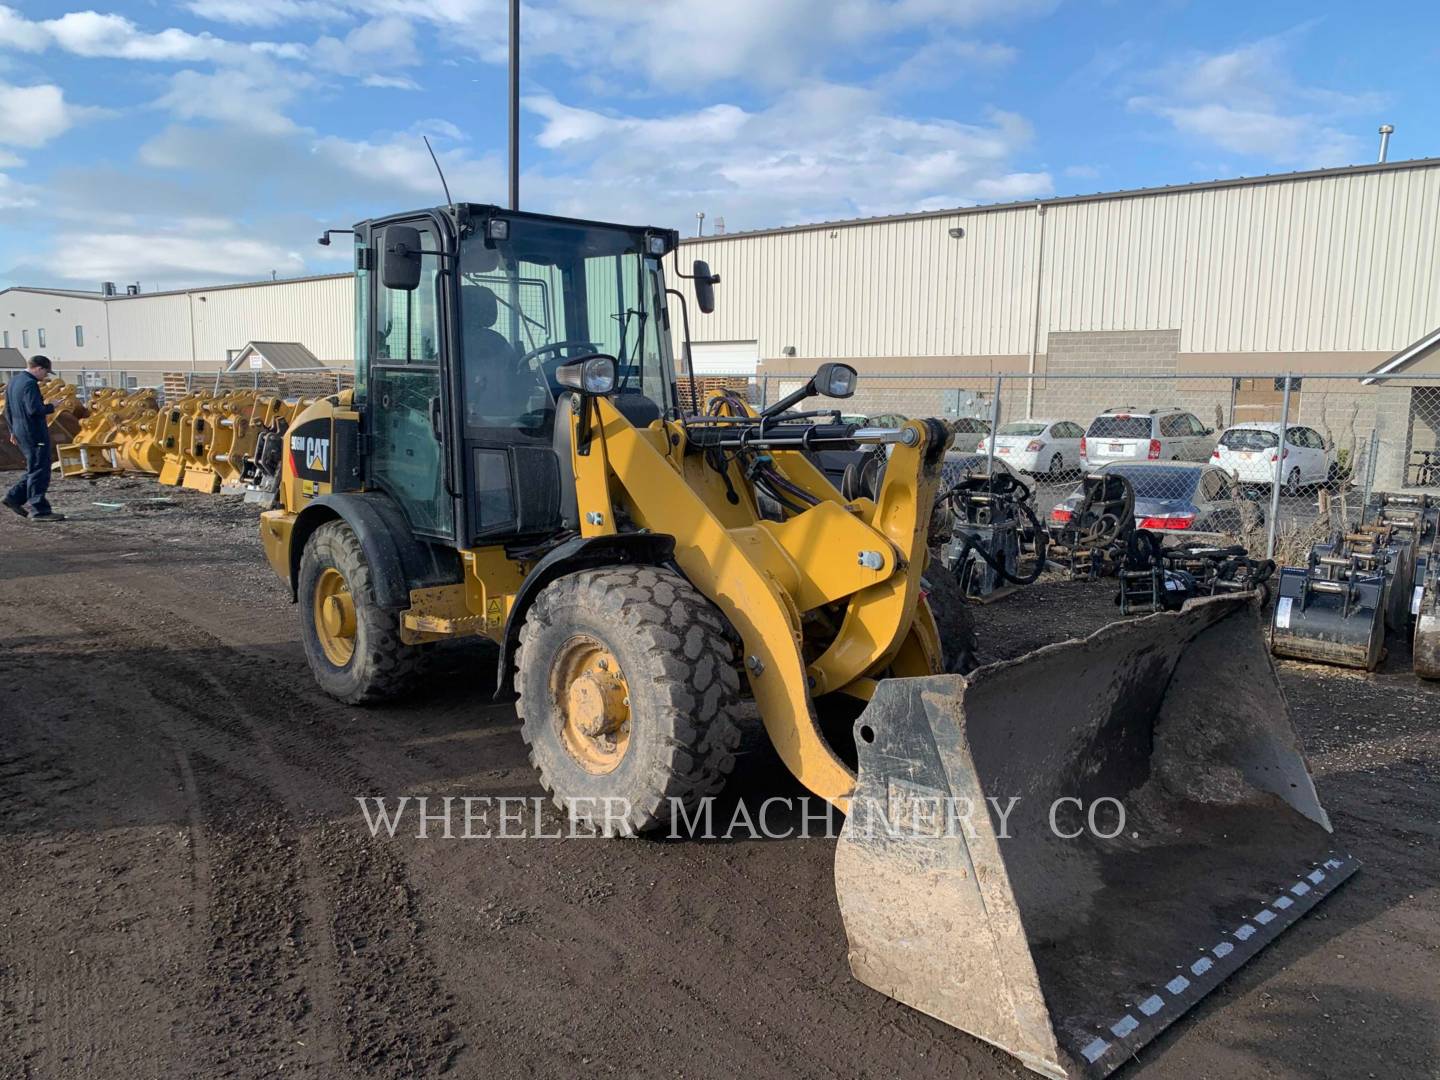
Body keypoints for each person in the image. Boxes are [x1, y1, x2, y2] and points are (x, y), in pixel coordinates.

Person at [3, 355, 66, 522]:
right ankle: (39, 510)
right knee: (40, 469)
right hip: (34, 432)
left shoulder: (14, 381)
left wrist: (12, 431)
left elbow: (7, 409)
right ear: (38, 368)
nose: (45, 377)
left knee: (34, 467)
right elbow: (34, 410)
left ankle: (14, 497)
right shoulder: (30, 384)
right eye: (45, 373)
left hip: (20, 430)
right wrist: (52, 406)